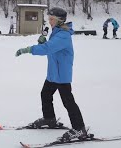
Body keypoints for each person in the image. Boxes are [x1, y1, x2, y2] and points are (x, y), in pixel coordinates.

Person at [15, 7, 87, 141]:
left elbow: (48, 48)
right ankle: (49, 119)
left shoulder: (63, 35)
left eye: (52, 19)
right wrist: (44, 41)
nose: (50, 21)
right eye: (49, 19)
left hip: (62, 75)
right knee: (45, 94)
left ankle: (79, 129)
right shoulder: (57, 32)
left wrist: (29, 49)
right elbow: (51, 48)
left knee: (68, 102)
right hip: (54, 73)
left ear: (59, 21)